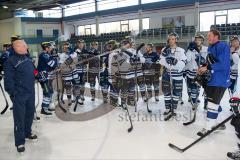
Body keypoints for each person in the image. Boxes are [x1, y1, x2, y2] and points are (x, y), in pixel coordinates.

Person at [4, 40, 37, 153]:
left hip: (30, 92)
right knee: (19, 118)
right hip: (20, 94)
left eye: (25, 45)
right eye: (23, 45)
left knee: (29, 113)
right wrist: (14, 93)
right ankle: (20, 142)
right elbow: (8, 80)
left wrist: (39, 75)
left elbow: (34, 71)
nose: (25, 46)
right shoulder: (11, 61)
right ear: (16, 47)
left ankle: (27, 133)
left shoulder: (27, 58)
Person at [197, 29, 231, 136]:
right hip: (212, 80)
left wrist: (208, 68)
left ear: (216, 36)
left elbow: (224, 64)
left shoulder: (223, 46)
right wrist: (203, 67)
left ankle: (208, 127)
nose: (208, 38)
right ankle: (218, 124)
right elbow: (210, 62)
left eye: (210, 35)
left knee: (212, 104)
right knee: (214, 103)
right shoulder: (211, 48)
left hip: (220, 80)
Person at [109, 37, 144, 108]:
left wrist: (138, 59)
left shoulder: (134, 51)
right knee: (121, 89)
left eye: (129, 43)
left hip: (131, 75)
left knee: (131, 88)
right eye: (125, 44)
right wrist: (112, 76)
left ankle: (128, 101)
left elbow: (142, 60)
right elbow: (113, 65)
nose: (130, 45)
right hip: (120, 75)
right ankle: (118, 102)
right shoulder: (116, 53)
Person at [160, 32, 187, 119]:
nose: (171, 41)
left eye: (173, 39)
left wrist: (175, 62)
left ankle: (174, 109)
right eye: (170, 39)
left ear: (176, 40)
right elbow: (161, 61)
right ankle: (168, 108)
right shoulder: (164, 49)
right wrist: (165, 60)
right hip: (167, 74)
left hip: (177, 74)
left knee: (176, 93)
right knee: (166, 92)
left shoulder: (181, 50)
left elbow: (184, 62)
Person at [185, 34, 208, 109]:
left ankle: (200, 102)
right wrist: (189, 50)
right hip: (191, 73)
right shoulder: (191, 49)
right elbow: (187, 60)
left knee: (199, 89)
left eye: (200, 40)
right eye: (196, 40)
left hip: (202, 73)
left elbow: (208, 60)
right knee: (191, 89)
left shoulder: (206, 49)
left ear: (202, 41)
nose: (198, 41)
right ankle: (193, 99)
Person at [37, 42, 58, 115]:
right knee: (48, 92)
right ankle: (44, 108)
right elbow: (52, 64)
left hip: (45, 76)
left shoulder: (47, 54)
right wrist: (55, 58)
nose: (52, 48)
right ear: (46, 48)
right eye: (50, 47)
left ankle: (46, 106)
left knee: (49, 91)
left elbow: (52, 66)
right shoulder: (44, 55)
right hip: (43, 77)